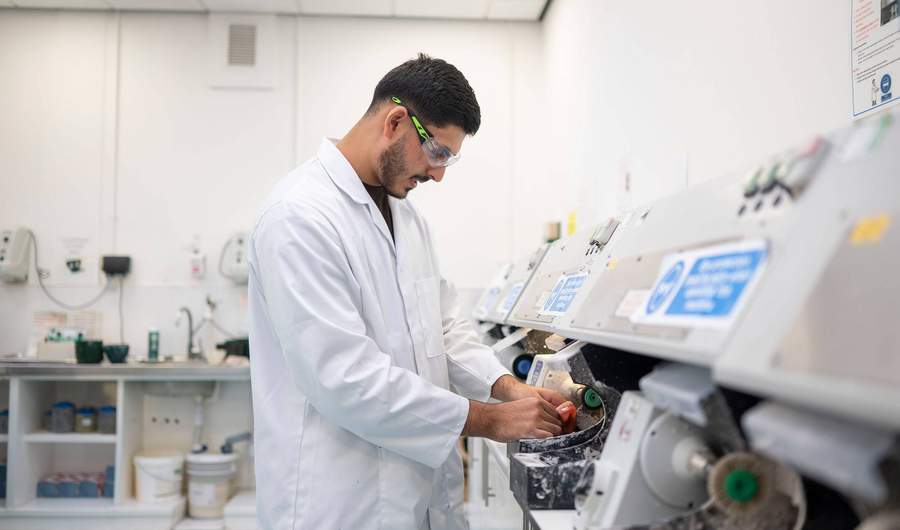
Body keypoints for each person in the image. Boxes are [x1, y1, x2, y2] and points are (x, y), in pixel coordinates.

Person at [248, 54, 572, 530]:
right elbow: (344, 379)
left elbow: (444, 330)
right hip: (336, 503)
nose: (439, 174)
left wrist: (507, 389)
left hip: (415, 495)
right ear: (396, 121)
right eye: (438, 153)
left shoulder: (408, 218)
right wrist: (488, 420)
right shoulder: (299, 217)